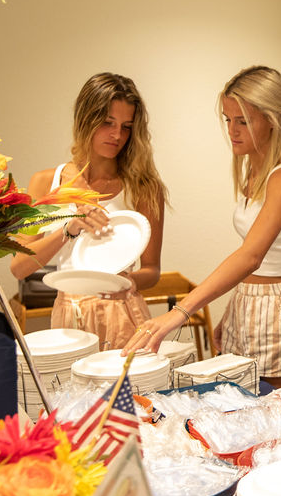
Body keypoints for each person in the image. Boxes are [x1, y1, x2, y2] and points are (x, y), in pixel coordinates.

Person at [123, 66, 281, 388]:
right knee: (240, 414)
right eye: (228, 120)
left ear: (271, 118)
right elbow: (252, 264)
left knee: (277, 420)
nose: (233, 130)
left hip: (277, 311)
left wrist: (180, 312)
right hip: (249, 303)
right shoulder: (254, 172)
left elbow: (251, 256)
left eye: (243, 121)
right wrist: (232, 312)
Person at [10, 73, 168, 350]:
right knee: (71, 393)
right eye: (107, 123)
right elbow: (19, 269)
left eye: (126, 126)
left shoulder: (144, 187)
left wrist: (126, 282)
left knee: (130, 393)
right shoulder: (47, 182)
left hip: (124, 312)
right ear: (85, 120)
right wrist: (69, 228)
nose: (117, 135)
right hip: (68, 315)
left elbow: (152, 271)